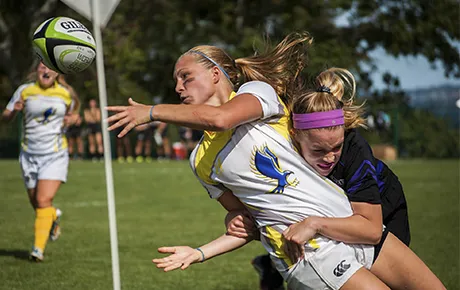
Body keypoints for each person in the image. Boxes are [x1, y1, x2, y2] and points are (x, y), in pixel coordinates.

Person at [106, 33, 444, 289]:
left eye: (186, 76)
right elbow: (248, 221)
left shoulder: (258, 93)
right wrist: (201, 250)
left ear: (216, 74)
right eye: (175, 81)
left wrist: (150, 112)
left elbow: (222, 119)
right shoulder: (200, 161)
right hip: (311, 252)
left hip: (350, 225)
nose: (178, 86)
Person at [228, 68, 410, 289]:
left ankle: (270, 267)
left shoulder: (354, 149)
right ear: (295, 137)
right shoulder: (285, 152)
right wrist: (237, 217)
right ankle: (271, 267)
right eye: (317, 150)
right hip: (331, 218)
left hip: (382, 209)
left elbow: (370, 230)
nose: (330, 157)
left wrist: (314, 224)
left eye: (336, 146)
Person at [2, 62, 79, 261]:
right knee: (36, 202)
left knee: (43, 200)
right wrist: (13, 111)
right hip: (29, 154)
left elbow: (75, 115)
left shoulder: (65, 93)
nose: (45, 71)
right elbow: (5, 117)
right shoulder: (25, 90)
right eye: (41, 68)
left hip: (54, 153)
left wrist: (73, 120)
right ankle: (52, 217)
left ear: (57, 73)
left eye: (49, 68)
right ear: (36, 71)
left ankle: (38, 249)